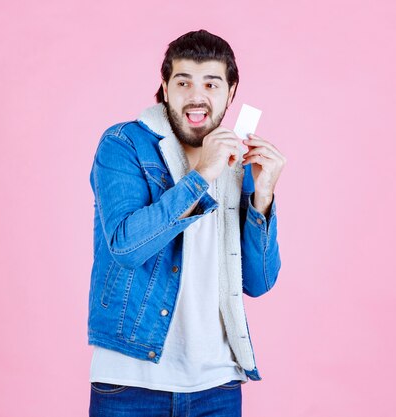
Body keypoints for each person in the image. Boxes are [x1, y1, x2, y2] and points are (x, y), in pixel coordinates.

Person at [87, 29, 286, 417]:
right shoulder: (123, 144)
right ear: (164, 88)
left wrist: (262, 198)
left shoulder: (237, 161)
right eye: (183, 82)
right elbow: (127, 247)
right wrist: (201, 176)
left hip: (218, 385)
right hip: (131, 383)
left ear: (231, 93)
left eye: (211, 83)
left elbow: (258, 283)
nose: (197, 96)